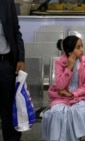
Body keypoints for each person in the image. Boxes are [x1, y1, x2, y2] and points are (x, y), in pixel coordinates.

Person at [41, 35, 85, 141]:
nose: (82, 50)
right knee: (58, 113)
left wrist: (72, 94)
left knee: (76, 113)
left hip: (79, 97)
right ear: (69, 50)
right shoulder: (59, 62)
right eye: (78, 47)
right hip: (60, 97)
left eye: (82, 46)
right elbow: (60, 86)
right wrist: (69, 67)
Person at [0, 0, 25, 141]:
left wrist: (21, 58)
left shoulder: (7, 3)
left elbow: (16, 31)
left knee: (8, 109)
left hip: (6, 64)